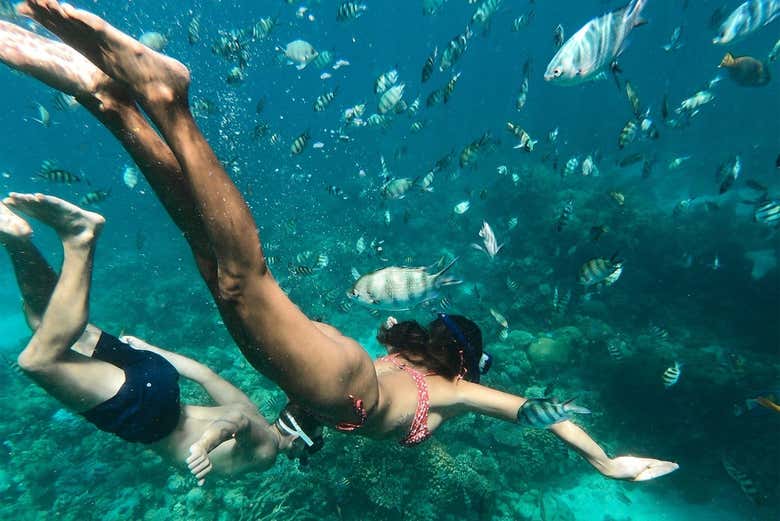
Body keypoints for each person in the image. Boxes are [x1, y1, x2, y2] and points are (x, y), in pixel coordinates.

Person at [0, 0, 678, 482]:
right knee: (241, 277)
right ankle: (167, 98)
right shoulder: (451, 389)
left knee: (213, 262)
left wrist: (306, 426)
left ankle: (112, 103)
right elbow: (535, 412)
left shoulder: (403, 361)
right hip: (335, 378)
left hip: (336, 368)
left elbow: (322, 406)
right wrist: (602, 460)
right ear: (465, 362)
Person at [0, 194, 309, 485]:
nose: (303, 455)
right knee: (38, 361)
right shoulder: (268, 450)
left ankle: (15, 239)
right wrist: (203, 445)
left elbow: (205, 374)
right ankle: (80, 238)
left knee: (44, 321)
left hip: (156, 378)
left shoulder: (252, 406)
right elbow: (236, 424)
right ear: (297, 437)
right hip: (147, 412)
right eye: (311, 447)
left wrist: (149, 349)